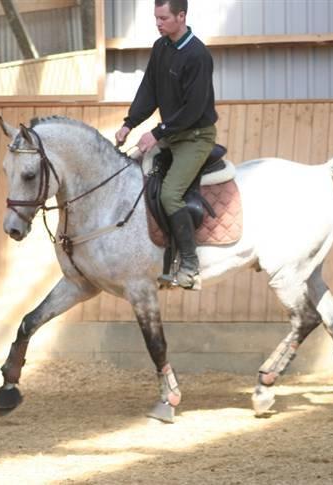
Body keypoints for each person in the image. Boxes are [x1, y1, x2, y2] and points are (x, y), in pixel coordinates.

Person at [115, 0, 217, 291]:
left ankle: (189, 264)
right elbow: (149, 89)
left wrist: (157, 133)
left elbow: (193, 109)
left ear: (181, 16)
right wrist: (129, 123)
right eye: (156, 18)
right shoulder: (161, 48)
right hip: (172, 134)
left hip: (195, 136)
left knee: (171, 194)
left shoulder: (198, 55)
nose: (157, 23)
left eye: (163, 18)